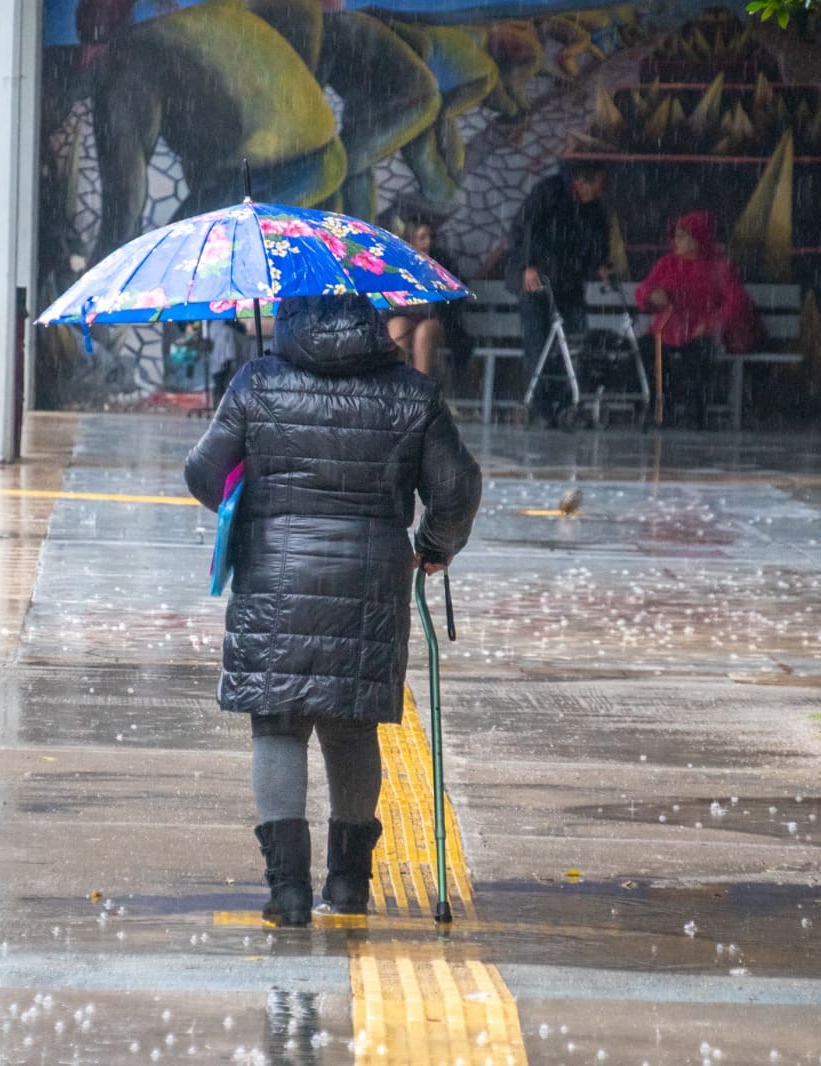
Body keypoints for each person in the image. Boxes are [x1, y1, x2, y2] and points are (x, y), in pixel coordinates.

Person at [184, 293, 482, 927]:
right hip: (371, 585)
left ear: (290, 312)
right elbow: (456, 488)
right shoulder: (411, 392)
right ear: (373, 318)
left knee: (278, 722)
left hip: (275, 579)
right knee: (350, 727)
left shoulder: (258, 380)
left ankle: (287, 889)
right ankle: (347, 883)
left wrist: (254, 502)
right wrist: (432, 547)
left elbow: (204, 473)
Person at [634, 210, 762, 430]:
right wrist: (651, 295)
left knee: (698, 357)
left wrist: (711, 324)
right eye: (677, 236)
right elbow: (644, 290)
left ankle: (695, 411)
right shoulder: (667, 264)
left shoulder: (719, 268)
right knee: (647, 351)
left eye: (684, 236)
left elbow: (737, 302)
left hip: (700, 333)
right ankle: (660, 408)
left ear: (699, 238)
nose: (677, 241)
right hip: (667, 332)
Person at [505, 161, 612, 421]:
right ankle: (540, 407)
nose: (599, 192)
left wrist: (600, 265)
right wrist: (529, 264)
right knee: (538, 342)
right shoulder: (549, 192)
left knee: (574, 341)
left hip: (568, 280)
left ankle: (568, 402)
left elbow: (597, 239)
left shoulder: (592, 206)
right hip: (537, 279)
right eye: (596, 185)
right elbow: (527, 229)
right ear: (580, 182)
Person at [387, 219, 471, 378]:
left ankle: (420, 392)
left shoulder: (443, 262)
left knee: (424, 332)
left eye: (431, 237)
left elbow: (454, 301)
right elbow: (388, 303)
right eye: (422, 237)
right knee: (397, 326)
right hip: (404, 317)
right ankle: (398, 389)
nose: (428, 242)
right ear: (411, 239)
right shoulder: (397, 264)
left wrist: (434, 277)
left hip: (436, 322)